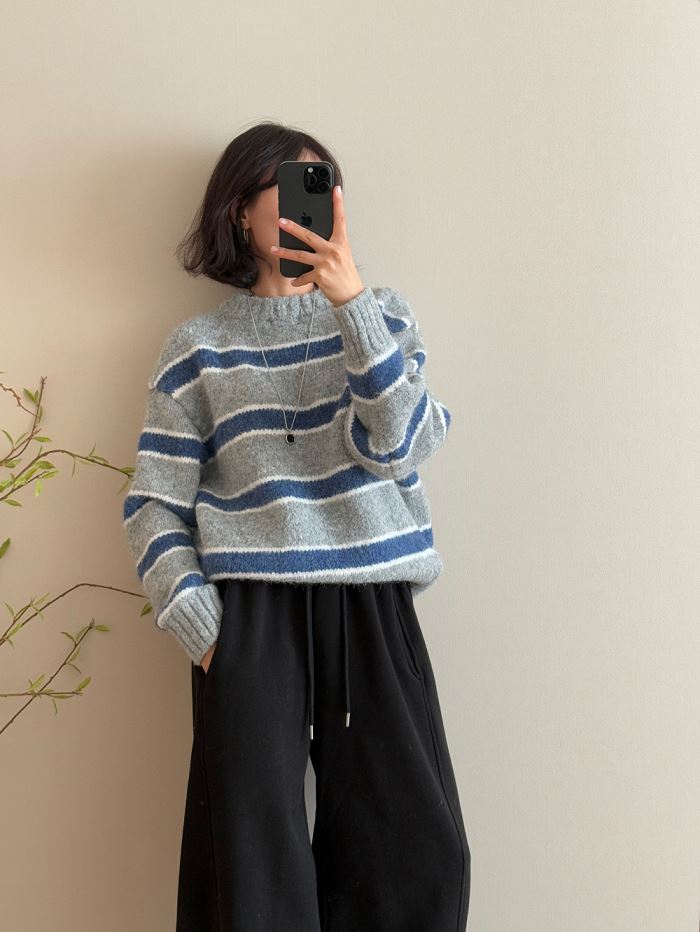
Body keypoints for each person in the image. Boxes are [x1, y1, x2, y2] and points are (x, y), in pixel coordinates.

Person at [123, 120, 471, 931]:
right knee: (251, 862)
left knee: (417, 852)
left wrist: (351, 306)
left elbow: (399, 444)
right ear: (240, 210)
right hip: (251, 616)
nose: (309, 204)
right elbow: (154, 501)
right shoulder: (197, 349)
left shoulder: (381, 315)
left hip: (370, 604)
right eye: (286, 187)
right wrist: (204, 627)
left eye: (321, 187)